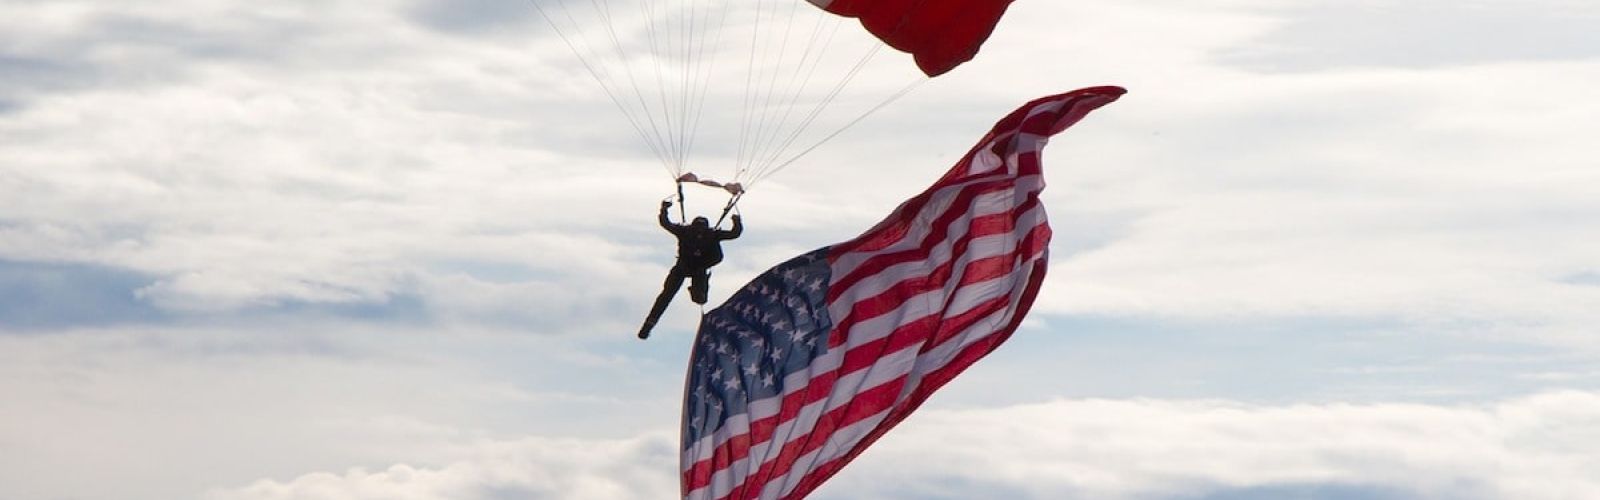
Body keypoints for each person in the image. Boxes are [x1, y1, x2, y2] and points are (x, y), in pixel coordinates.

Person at [638, 200, 743, 339]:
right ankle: (649, 325)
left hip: (697, 268)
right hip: (686, 267)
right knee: (667, 295)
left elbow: (665, 223)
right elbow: (735, 233)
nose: (699, 232)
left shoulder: (700, 233)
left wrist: (664, 210)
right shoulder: (693, 232)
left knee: (692, 298)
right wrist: (736, 221)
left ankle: (650, 323)